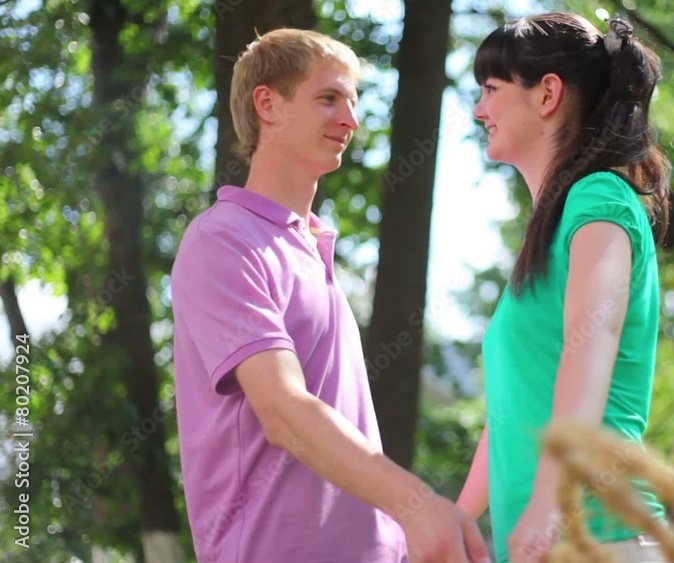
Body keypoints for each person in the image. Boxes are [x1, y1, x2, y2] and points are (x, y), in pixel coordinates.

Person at [171, 28, 490, 563]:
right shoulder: (222, 239)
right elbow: (284, 410)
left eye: (353, 102)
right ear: (267, 105)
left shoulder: (311, 245)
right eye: (328, 98)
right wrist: (415, 504)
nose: (351, 120)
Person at [456, 12, 670, 563]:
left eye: (492, 89)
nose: (479, 109)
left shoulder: (599, 199)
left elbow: (589, 347)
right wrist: (456, 520)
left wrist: (550, 501)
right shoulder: (548, 234)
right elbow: (507, 414)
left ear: (547, 93)